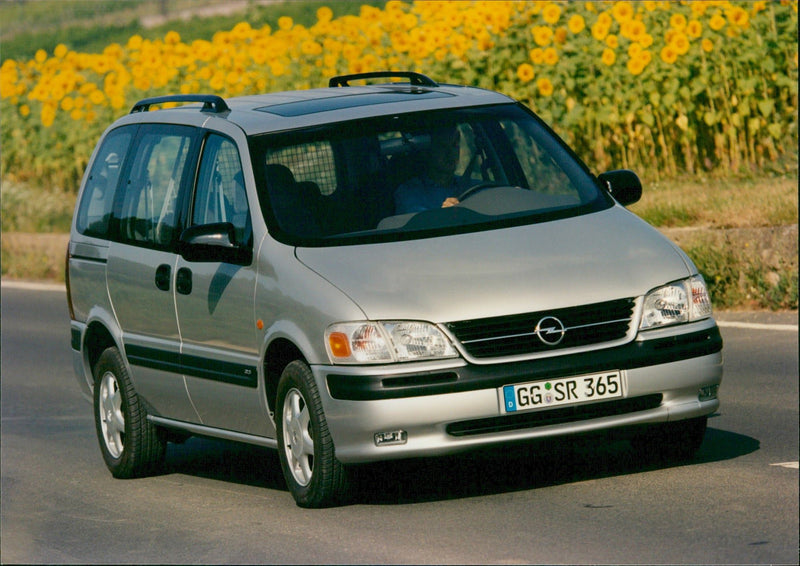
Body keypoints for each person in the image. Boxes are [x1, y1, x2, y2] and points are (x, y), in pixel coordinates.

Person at [394, 126, 465, 214]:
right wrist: (444, 214)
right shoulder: (409, 192)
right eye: (442, 147)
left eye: (454, 145)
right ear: (427, 151)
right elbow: (417, 220)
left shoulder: (474, 187)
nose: (450, 153)